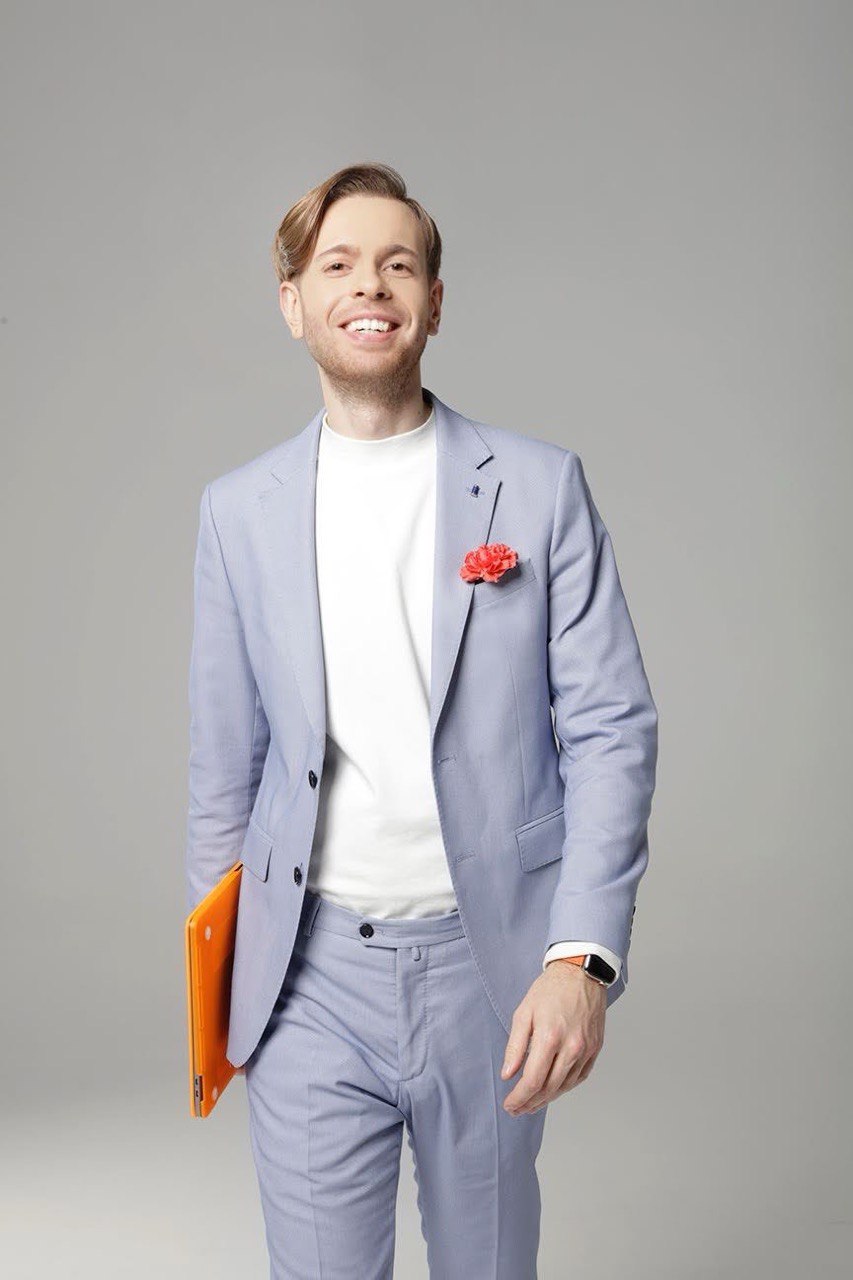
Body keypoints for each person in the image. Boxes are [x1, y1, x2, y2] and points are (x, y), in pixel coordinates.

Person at [185, 161, 658, 1278]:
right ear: (293, 301)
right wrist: (222, 994)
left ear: (433, 302)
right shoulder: (237, 512)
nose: (370, 285)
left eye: (398, 264)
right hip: (303, 978)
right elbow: (223, 766)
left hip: (489, 969)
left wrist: (579, 960)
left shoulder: (539, 487)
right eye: (338, 264)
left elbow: (611, 729)